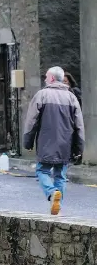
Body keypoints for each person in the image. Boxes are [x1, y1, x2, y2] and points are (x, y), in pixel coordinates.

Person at [23, 66, 85, 215]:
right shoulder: (72, 97)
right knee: (60, 176)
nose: (45, 79)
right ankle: (57, 206)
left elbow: (31, 121)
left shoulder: (41, 95)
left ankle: (51, 192)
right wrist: (79, 147)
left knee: (42, 170)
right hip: (66, 144)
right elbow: (79, 125)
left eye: (46, 77)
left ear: (51, 78)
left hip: (46, 142)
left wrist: (28, 141)